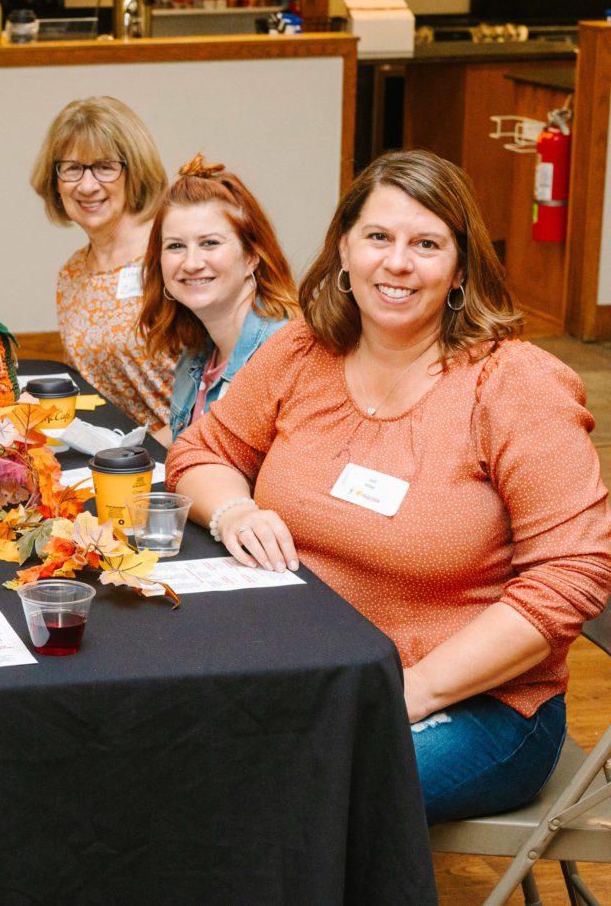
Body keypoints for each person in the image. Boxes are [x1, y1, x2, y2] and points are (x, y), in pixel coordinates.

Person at [168, 149, 611, 823]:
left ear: (461, 265)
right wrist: (233, 509)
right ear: (344, 248)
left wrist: (415, 687)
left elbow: (571, 574)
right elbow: (202, 450)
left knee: (285, 800)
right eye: (378, 237)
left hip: (474, 705)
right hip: (316, 673)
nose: (397, 262)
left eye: (426, 243)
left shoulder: (515, 387)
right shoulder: (301, 351)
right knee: (167, 752)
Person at [30, 96, 175, 438]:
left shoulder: (170, 254)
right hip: (112, 460)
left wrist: (159, 449)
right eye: (73, 168)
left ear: (134, 171)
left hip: (185, 456)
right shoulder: (72, 273)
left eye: (105, 167)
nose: (87, 185)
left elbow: (228, 381)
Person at [138, 155, 299, 441]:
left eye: (209, 243)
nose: (191, 263)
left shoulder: (285, 352)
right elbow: (187, 440)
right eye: (175, 246)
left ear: (251, 256)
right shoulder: (197, 350)